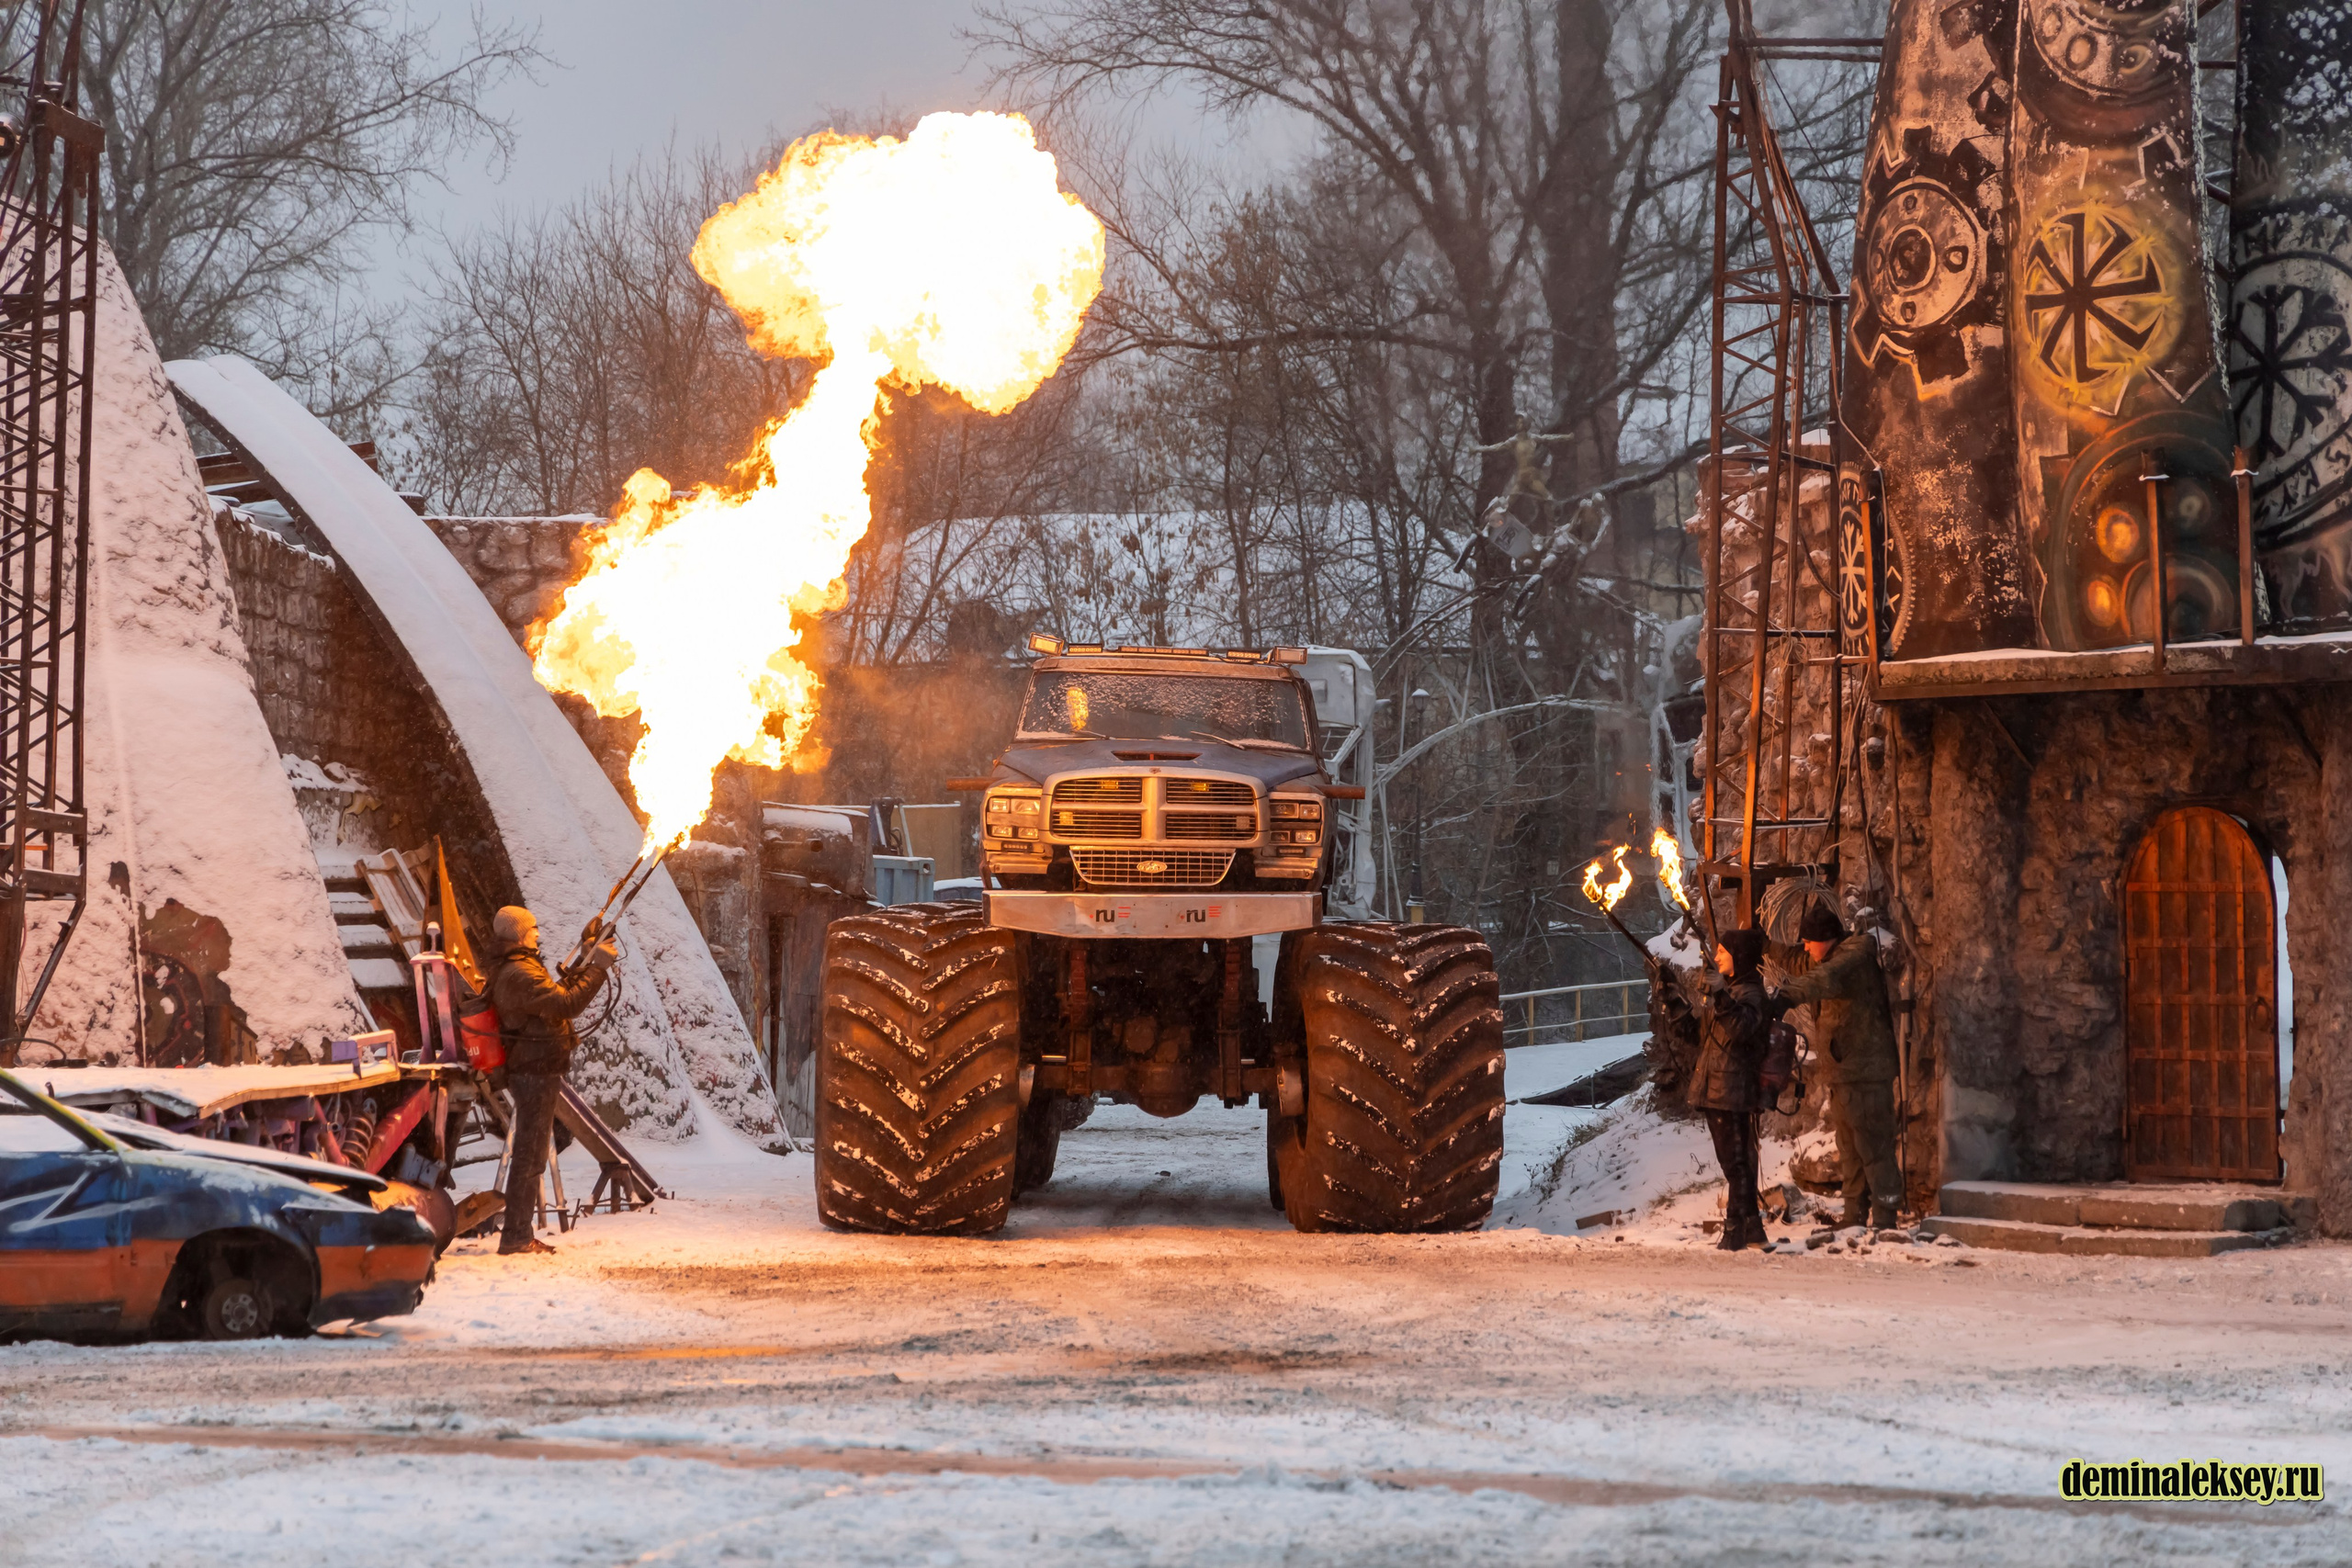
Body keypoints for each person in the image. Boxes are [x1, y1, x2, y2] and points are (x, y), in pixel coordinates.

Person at [489, 905, 618, 1256]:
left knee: (530, 1156)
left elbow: (554, 995)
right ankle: (516, 1236)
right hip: (533, 1071)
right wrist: (599, 969)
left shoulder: (520, 967)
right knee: (530, 1157)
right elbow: (565, 1004)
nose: (538, 934)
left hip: (537, 1068)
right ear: (518, 934)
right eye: (532, 929)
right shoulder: (518, 972)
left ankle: (518, 1233)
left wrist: (588, 953)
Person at [1774, 904, 1903, 1230]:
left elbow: (1822, 978)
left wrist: (1784, 998)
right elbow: (1799, 961)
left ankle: (1885, 1218)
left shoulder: (1851, 962)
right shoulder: (1829, 956)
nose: (1804, 947)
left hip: (1865, 1072)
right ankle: (1854, 1216)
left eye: (1808, 940)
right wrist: (1764, 945)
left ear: (1827, 938)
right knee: (1850, 1149)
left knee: (1873, 1146)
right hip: (1846, 1074)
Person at [1690, 927, 1771, 1251]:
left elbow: (1741, 1030)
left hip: (1733, 1091)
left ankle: (1735, 1232)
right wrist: (1673, 999)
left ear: (1740, 958)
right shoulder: (1733, 994)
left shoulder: (1752, 995)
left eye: (1723, 951)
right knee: (1735, 1164)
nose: (1717, 956)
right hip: (1719, 1090)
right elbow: (1701, 1036)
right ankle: (1752, 1230)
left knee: (1736, 1165)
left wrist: (1721, 994)